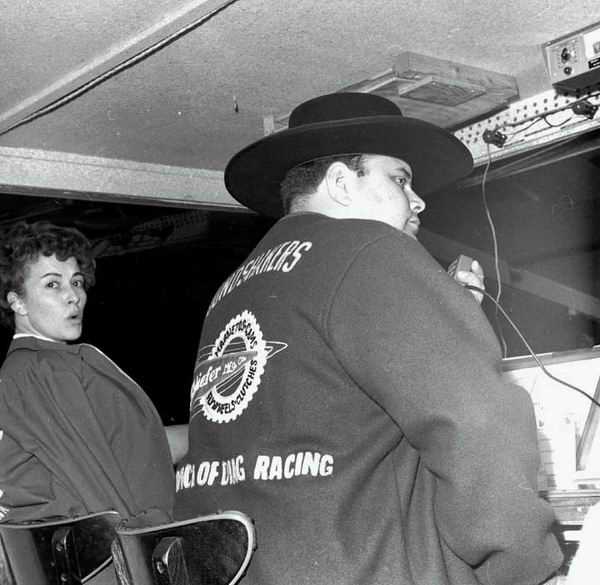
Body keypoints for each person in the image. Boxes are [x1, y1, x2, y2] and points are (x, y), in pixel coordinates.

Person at [174, 93, 563, 585]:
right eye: (400, 179)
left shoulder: (233, 289)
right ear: (340, 183)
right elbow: (477, 426)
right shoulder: (373, 249)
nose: (417, 200)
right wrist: (524, 568)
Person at [0, 220, 185, 525]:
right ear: (17, 302)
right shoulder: (38, 369)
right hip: (113, 558)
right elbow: (94, 485)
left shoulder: (53, 363)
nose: (73, 296)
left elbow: (139, 448)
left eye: (76, 282)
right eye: (52, 284)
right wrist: (141, 554)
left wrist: (217, 431)